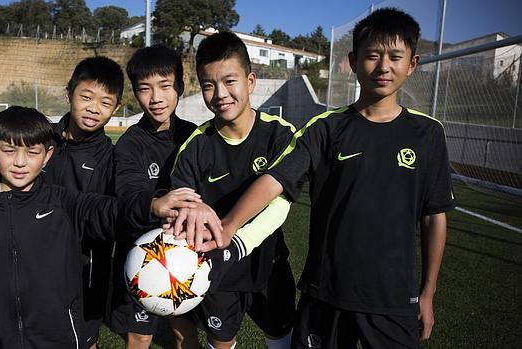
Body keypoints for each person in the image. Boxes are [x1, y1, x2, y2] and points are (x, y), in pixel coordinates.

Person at [193, 8, 456, 348]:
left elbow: (434, 216)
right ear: (354, 60)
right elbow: (276, 179)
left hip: (393, 298)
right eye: (373, 56)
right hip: (326, 292)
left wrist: (428, 292)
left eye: (395, 57)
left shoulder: (427, 133)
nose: (383, 67)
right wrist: (229, 226)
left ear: (413, 63)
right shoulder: (326, 128)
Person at [0, 106, 186, 348]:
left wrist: (151, 205)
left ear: (48, 155)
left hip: (57, 339)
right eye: (9, 151)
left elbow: (110, 211)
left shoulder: (63, 203)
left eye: (32, 152)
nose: (20, 162)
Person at [170, 32, 296, 349]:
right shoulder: (195, 148)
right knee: (221, 342)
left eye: (229, 81)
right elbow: (183, 205)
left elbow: (281, 202)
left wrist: (235, 241)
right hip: (217, 271)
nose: (220, 94)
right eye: (209, 85)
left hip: (268, 264)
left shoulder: (281, 134)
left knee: (281, 337)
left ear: (250, 81)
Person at [108, 45, 199, 349]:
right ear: (135, 92)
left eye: (164, 86)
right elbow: (129, 194)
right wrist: (157, 203)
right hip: (142, 257)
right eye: (145, 89)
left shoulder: (195, 136)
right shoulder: (129, 144)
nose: (156, 98)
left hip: (188, 255)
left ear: (180, 87)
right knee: (140, 336)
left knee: (184, 331)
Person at [41, 56, 122, 348]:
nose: (93, 108)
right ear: (68, 94)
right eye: (86, 96)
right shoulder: (41, 140)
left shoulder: (110, 159)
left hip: (85, 270)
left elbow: (107, 220)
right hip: (34, 259)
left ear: (116, 108)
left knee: (84, 340)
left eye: (105, 102)